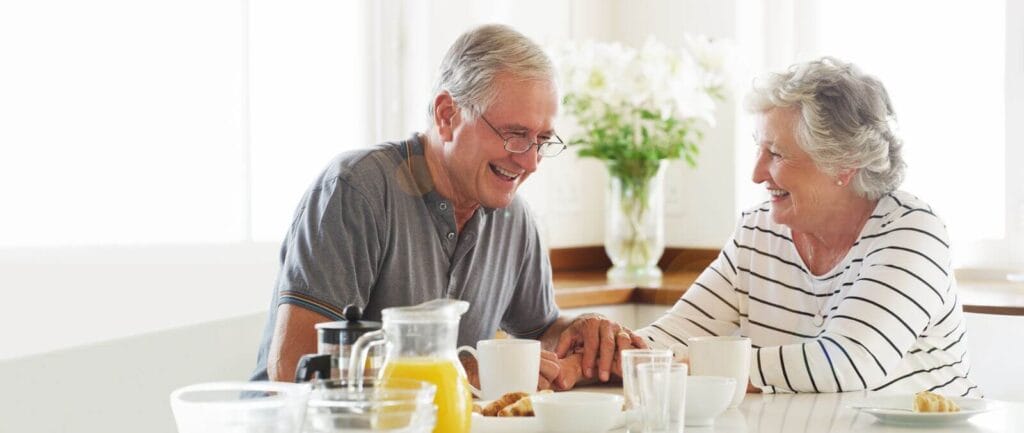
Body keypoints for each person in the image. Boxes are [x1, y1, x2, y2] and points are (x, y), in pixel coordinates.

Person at [249, 24, 644, 389]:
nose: (530, 162)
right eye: (514, 135)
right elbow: (295, 369)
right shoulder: (356, 190)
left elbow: (539, 329)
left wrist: (582, 331)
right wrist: (454, 372)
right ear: (447, 115)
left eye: (542, 139)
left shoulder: (514, 217)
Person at [635, 57, 980, 396]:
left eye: (776, 154)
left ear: (844, 164)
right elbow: (677, 333)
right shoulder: (758, 231)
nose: (756, 174)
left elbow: (848, 361)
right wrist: (611, 348)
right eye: (759, 148)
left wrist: (696, 368)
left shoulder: (913, 233)